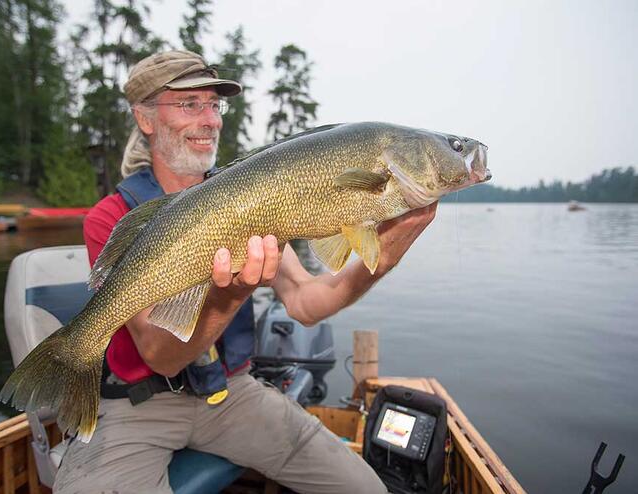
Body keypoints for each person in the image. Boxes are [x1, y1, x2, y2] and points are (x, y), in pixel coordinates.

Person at [53, 50, 437, 494]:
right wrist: (231, 294)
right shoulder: (112, 217)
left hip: (232, 391)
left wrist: (378, 264)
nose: (210, 119)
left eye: (214, 105)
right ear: (144, 118)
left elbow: (307, 303)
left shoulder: (252, 193)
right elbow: (163, 356)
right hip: (141, 405)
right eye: (189, 103)